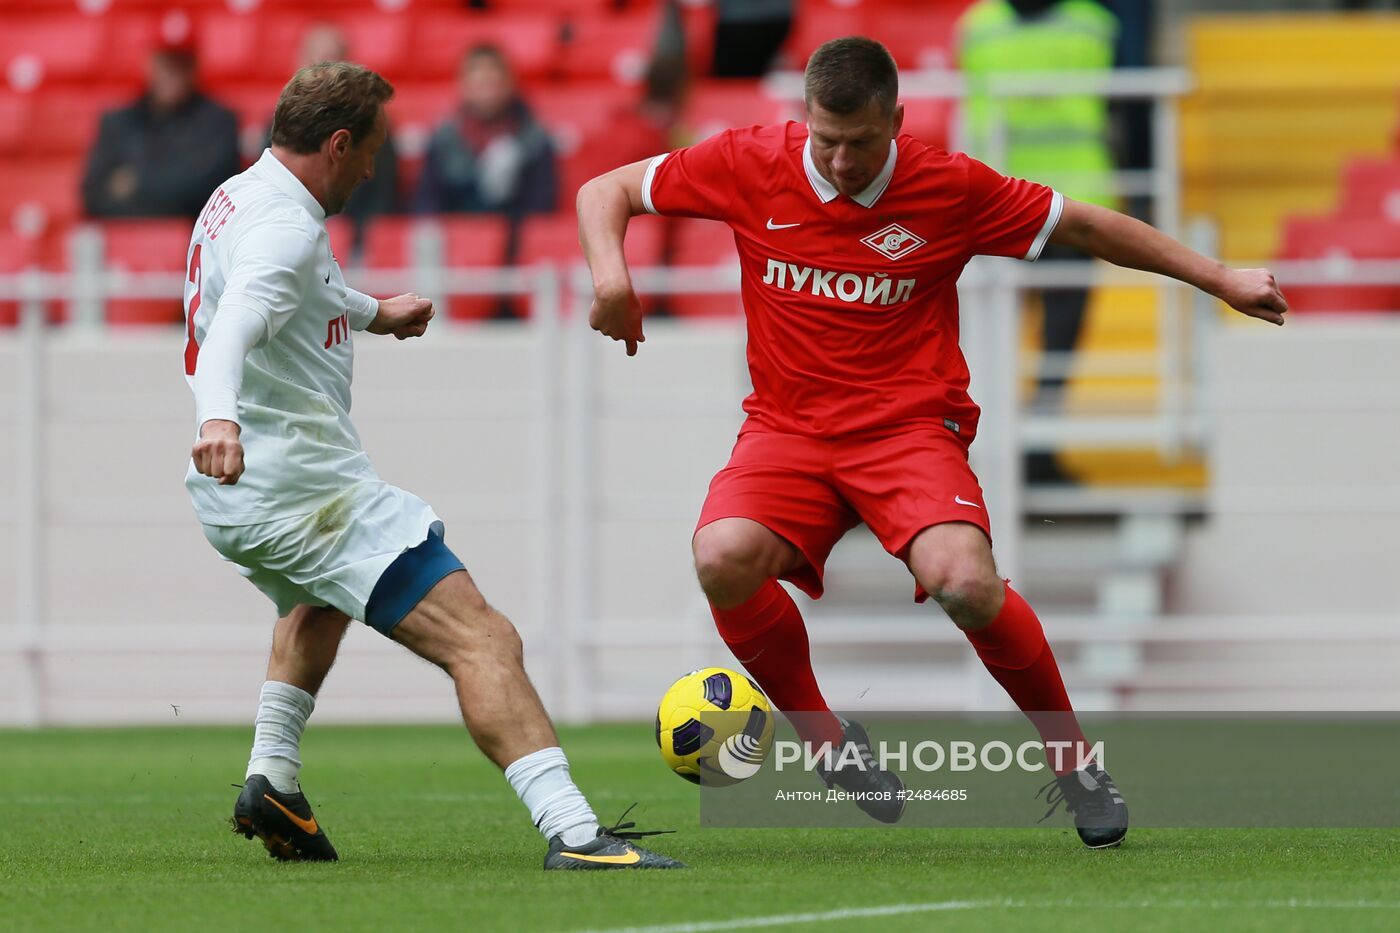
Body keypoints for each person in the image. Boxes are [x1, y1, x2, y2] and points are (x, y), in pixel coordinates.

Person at [577, 37, 1287, 848]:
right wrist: (612, 280)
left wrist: (1220, 277)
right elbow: (608, 189)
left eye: (861, 142)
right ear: (804, 120)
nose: (842, 161)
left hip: (908, 431)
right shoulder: (748, 161)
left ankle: (1074, 760)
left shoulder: (947, 186)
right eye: (826, 140)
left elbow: (1086, 226)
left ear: (898, 121)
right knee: (720, 557)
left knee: (965, 583)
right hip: (788, 429)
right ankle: (828, 741)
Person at [184, 61, 680, 871]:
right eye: (372, 151)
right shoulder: (286, 227)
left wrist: (376, 313)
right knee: (484, 638)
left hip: (255, 492)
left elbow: (286, 289)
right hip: (303, 487)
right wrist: (219, 418)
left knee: (321, 598)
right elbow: (239, 321)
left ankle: (272, 778)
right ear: (338, 144)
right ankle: (577, 832)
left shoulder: (241, 195)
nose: (377, 168)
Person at [958, 0, 1119, 485]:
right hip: (1030, 202)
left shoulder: (977, 27)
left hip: (1043, 202)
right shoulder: (1091, 24)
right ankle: (1014, 447)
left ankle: (1035, 447)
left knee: (1047, 338)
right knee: (1025, 336)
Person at [261, 23, 401, 259]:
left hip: (356, 247)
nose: (323, 73)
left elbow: (382, 198)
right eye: (316, 63)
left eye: (333, 63)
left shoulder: (373, 124)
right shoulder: (277, 124)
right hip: (290, 239)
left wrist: (352, 237)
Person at [81, 35, 239, 218]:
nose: (172, 73)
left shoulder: (219, 123)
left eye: (181, 64)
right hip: (127, 238)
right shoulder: (118, 122)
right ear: (149, 64)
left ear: (195, 67)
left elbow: (209, 192)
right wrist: (176, 180)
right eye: (166, 63)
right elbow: (92, 195)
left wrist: (136, 183)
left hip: (194, 240)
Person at [415, 43, 558, 216]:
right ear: (464, 86)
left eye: (492, 82)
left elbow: (542, 206)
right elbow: (428, 200)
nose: (486, 93)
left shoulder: (534, 139)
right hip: (457, 234)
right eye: (479, 83)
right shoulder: (444, 138)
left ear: (508, 83)